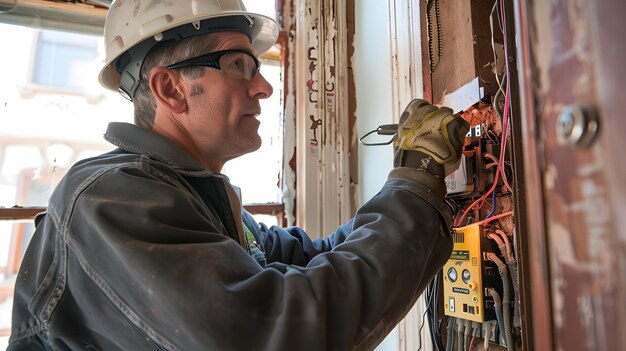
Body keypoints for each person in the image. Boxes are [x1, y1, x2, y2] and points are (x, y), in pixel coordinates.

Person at [8, 0, 469, 350]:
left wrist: (409, 184)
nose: (264, 86)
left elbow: (317, 256)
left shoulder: (196, 200)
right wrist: (414, 184)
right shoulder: (107, 199)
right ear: (170, 88)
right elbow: (271, 332)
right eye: (239, 64)